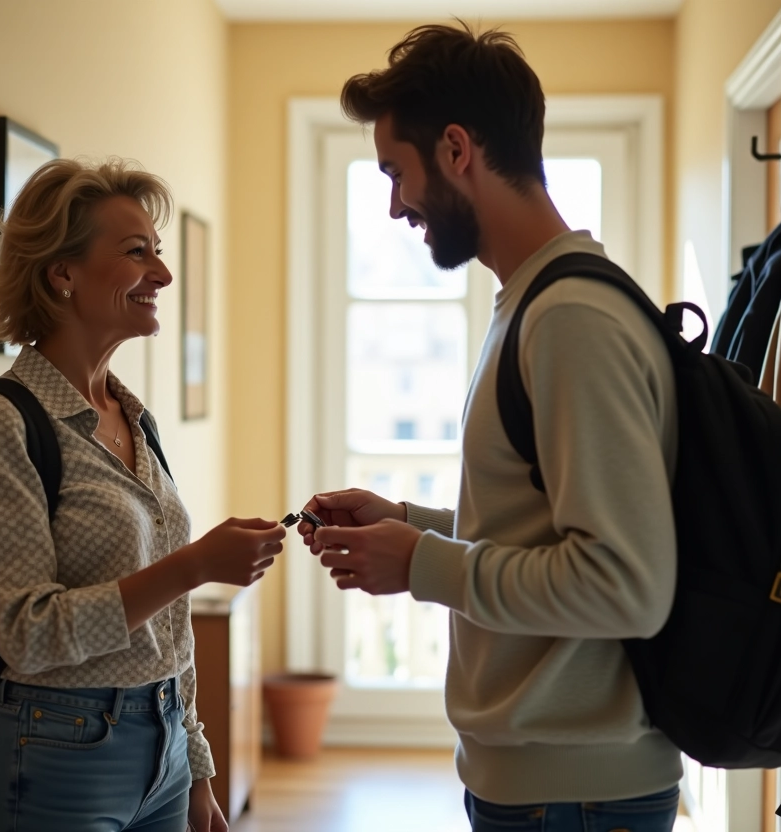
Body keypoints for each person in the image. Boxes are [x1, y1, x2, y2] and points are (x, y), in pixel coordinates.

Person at [296, 23, 682, 832]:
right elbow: (547, 531)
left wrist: (423, 564)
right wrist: (410, 526)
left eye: (396, 173)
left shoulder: (570, 318)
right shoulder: (532, 304)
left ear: (458, 150)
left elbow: (627, 586)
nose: (395, 205)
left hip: (576, 795)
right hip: (550, 786)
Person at [0, 157, 284, 832]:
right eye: (137, 253)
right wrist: (194, 565)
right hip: (54, 754)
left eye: (158, 253)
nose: (163, 274)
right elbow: (25, 633)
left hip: (163, 751)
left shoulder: (133, 418)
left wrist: (197, 767)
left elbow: (171, 629)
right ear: (61, 273)